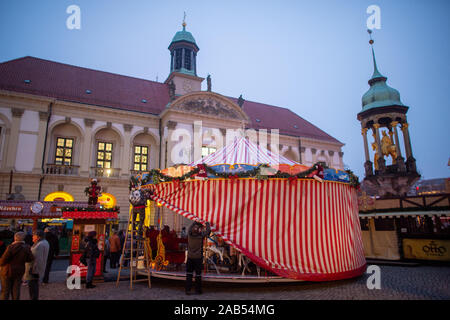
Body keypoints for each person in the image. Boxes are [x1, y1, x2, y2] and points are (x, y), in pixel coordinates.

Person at [0, 232, 34, 300]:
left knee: (5, 291)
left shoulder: (10, 247)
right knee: (16, 290)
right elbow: (30, 259)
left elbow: (3, 260)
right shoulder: (26, 247)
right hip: (19, 271)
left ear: (15, 238)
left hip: (7, 271)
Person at [185, 221, 210, 295]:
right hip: (198, 258)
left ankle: (188, 290)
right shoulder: (200, 236)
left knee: (189, 275)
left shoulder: (189, 235)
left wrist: (194, 222)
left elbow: (189, 229)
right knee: (198, 275)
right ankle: (198, 290)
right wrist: (207, 224)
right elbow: (208, 231)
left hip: (190, 258)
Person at [24, 230, 49, 300]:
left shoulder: (39, 245)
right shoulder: (43, 243)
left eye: (34, 235)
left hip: (34, 269)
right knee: (34, 284)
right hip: (36, 268)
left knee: (33, 285)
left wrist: (34, 270)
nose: (32, 237)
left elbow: (37, 259)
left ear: (38, 237)